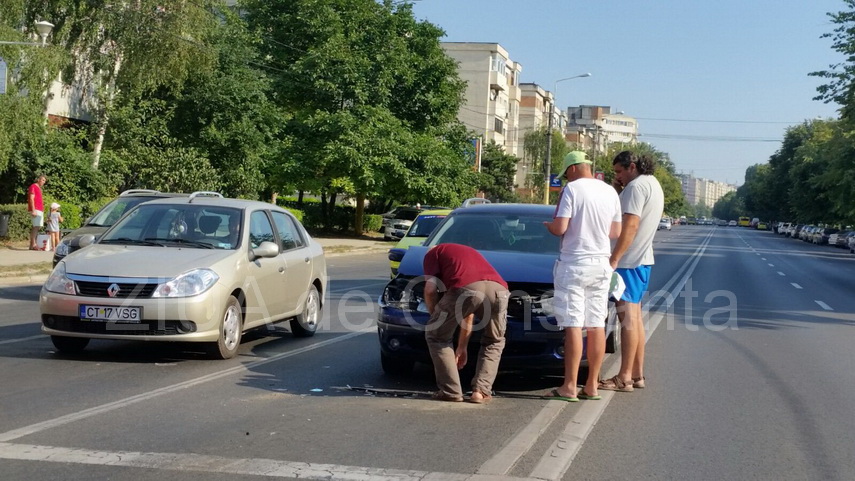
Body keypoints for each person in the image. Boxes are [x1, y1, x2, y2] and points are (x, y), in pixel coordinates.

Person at [542, 151, 622, 401]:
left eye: (566, 173)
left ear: (573, 168)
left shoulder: (572, 190)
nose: (566, 178)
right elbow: (615, 232)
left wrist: (550, 227)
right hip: (601, 265)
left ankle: (569, 386)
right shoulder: (610, 191)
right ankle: (592, 385)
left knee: (574, 325)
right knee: (597, 325)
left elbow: (561, 228)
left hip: (574, 264)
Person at [600, 151, 664, 392]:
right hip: (643, 260)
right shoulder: (652, 183)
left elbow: (631, 224)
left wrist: (614, 258)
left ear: (632, 167)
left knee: (627, 320)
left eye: (619, 171)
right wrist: (619, 190)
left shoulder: (635, 187)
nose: (618, 176)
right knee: (635, 319)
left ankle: (624, 377)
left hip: (628, 262)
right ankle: (636, 374)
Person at [423, 243, 510, 404]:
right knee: (494, 341)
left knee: (437, 336)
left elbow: (430, 289)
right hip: (499, 290)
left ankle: (450, 391)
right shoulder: (466, 254)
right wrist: (462, 346)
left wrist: (436, 318)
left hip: (466, 288)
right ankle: (480, 392)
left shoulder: (433, 253)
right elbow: (468, 313)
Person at [27, 175, 47, 250]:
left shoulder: (39, 188)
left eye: (44, 181)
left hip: (39, 209)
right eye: (43, 180)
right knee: (35, 227)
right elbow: (31, 199)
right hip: (36, 209)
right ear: (38, 179)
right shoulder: (33, 186)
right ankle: (34, 244)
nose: (44, 182)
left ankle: (31, 245)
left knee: (37, 226)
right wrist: (33, 210)